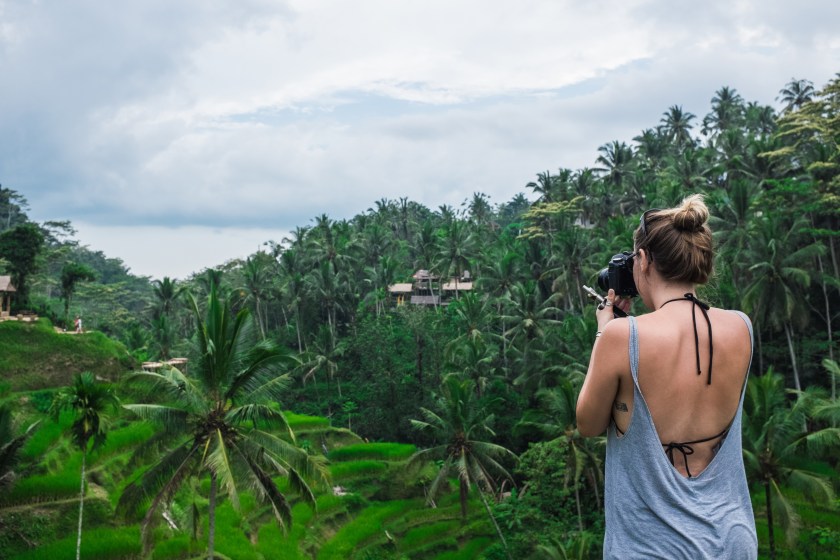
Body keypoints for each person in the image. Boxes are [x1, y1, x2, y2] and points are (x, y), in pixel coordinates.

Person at [576, 194, 757, 559]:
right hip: (733, 539)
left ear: (642, 260)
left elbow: (589, 423)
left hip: (653, 545)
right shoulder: (741, 327)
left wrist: (604, 332)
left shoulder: (621, 337)